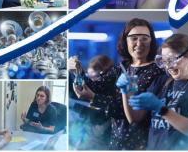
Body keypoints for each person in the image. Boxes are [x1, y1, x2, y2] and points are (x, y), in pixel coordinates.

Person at [70, 18, 163, 149]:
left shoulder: (157, 71)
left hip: (140, 144)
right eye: (134, 38)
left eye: (144, 38)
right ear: (126, 41)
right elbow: (97, 86)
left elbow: (131, 111)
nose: (139, 43)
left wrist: (94, 98)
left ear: (151, 41)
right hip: (115, 142)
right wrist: (78, 71)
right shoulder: (122, 67)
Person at [128, 33, 188, 150]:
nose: (168, 66)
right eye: (164, 61)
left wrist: (162, 110)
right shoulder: (162, 82)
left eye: (172, 59)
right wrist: (127, 90)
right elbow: (135, 118)